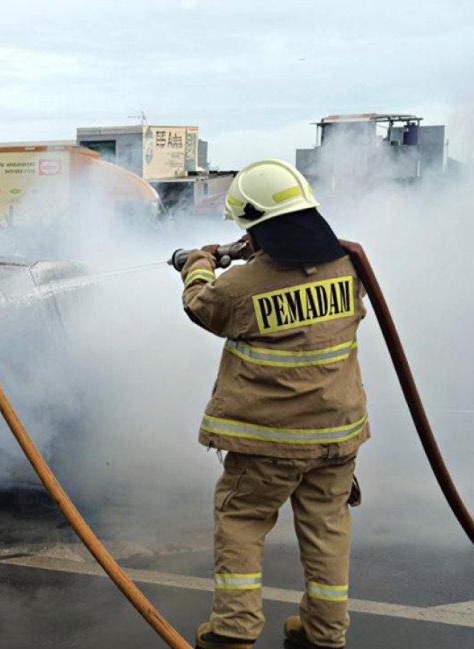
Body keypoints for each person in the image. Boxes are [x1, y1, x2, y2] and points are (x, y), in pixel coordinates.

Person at [179, 160, 368, 649]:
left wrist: (198, 261)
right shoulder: (350, 268)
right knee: (327, 533)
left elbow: (201, 305)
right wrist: (248, 250)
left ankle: (233, 633)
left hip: (268, 443)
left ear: (257, 225)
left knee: (242, 523)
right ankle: (325, 634)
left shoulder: (241, 286)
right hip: (336, 439)